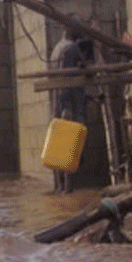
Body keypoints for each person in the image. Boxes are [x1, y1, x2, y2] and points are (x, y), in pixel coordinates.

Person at [48, 28, 89, 194]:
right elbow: (66, 78)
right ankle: (67, 188)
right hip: (69, 104)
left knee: (59, 146)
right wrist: (67, 107)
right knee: (70, 146)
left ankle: (60, 187)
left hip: (59, 103)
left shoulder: (57, 49)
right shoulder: (71, 49)